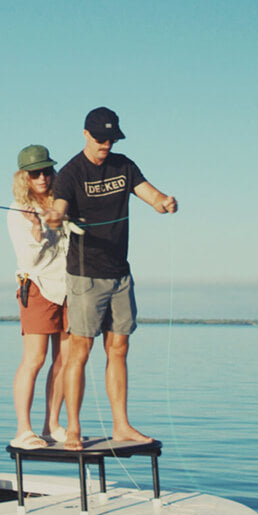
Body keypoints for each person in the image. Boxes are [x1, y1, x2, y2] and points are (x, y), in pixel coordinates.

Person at [47, 108, 177, 450]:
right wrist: (56, 215)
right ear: (86, 134)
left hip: (120, 273)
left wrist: (163, 202)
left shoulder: (124, 165)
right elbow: (58, 207)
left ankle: (121, 425)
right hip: (86, 275)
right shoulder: (71, 173)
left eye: (112, 139)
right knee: (81, 350)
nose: (107, 144)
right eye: (101, 138)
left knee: (119, 348)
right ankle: (73, 428)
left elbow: (150, 194)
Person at [6, 144, 70, 450]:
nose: (42, 177)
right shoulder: (16, 211)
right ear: (24, 177)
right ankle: (23, 430)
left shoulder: (63, 202)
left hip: (70, 288)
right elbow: (29, 261)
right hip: (38, 287)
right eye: (35, 173)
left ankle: (52, 425)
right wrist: (36, 229)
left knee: (65, 359)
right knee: (35, 358)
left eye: (46, 171)